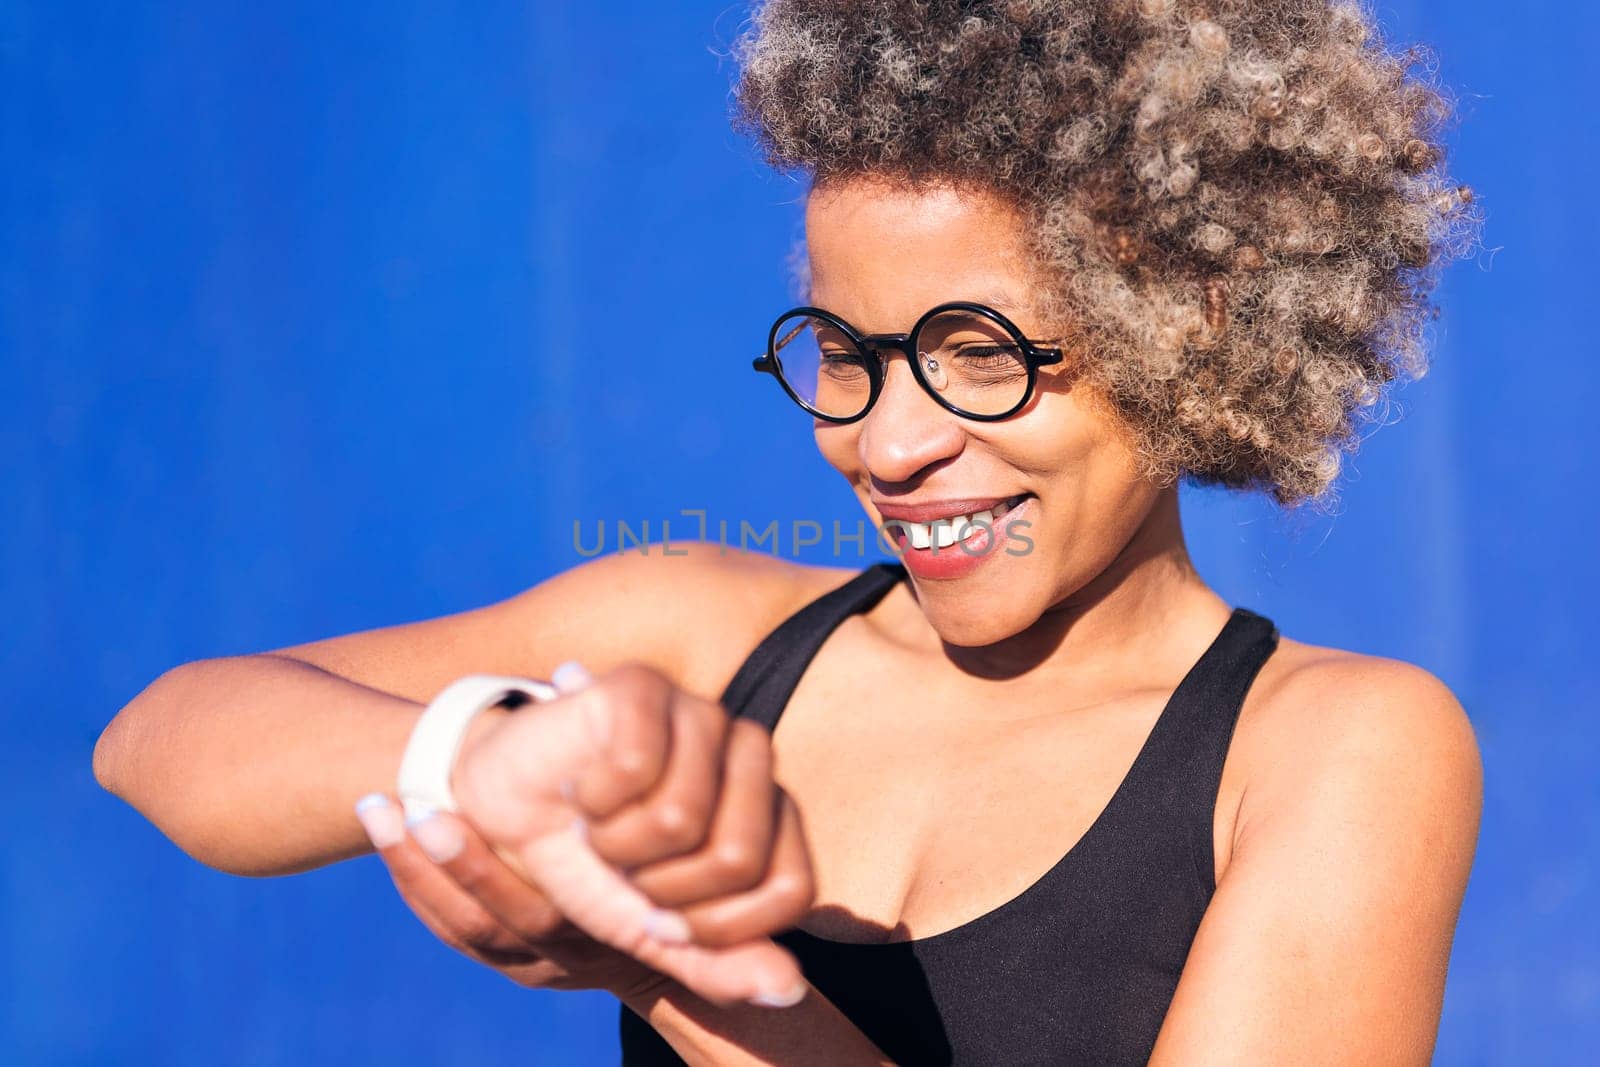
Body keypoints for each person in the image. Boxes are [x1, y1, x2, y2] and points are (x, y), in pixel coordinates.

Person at [93, 1, 1486, 1063]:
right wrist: (480, 753)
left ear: (1193, 330)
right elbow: (162, 736)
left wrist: (682, 974)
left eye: (977, 351)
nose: (881, 443)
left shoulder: (1337, 748)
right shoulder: (702, 628)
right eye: (843, 351)